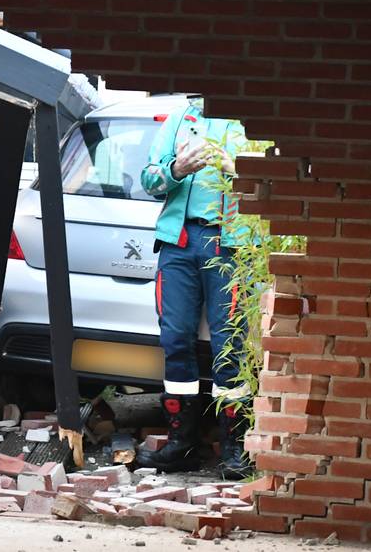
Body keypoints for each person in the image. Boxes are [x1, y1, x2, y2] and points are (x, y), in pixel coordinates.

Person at [134, 98, 252, 480]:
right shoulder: (181, 118)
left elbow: (276, 180)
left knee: (229, 345)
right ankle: (181, 444)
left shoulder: (251, 117)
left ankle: (235, 450)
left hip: (230, 243)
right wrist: (176, 168)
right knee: (176, 340)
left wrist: (239, 170)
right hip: (179, 241)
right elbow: (150, 179)